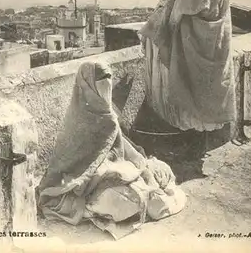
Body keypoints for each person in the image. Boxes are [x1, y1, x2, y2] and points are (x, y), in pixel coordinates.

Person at [36, 61, 186, 238]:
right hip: (84, 182)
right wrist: (99, 175)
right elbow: (71, 163)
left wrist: (139, 167)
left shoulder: (108, 116)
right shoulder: (77, 119)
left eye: (108, 78)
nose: (105, 85)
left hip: (112, 172)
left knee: (152, 186)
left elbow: (124, 147)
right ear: (87, 83)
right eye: (100, 80)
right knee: (124, 202)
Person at [138, 0, 236, 141]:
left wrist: (165, 23)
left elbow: (181, 8)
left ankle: (192, 143)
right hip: (213, 47)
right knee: (204, 98)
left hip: (194, 47)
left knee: (191, 97)